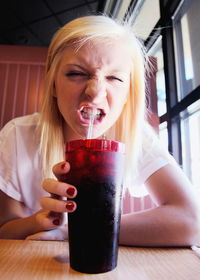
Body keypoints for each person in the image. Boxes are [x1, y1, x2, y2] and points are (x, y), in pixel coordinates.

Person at [0, 15, 199, 245]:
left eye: (114, 78)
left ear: (128, 96)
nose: (94, 92)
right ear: (53, 84)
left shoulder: (135, 135)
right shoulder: (17, 135)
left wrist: (73, 230)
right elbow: (5, 227)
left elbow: (193, 221)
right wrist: (41, 221)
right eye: (76, 73)